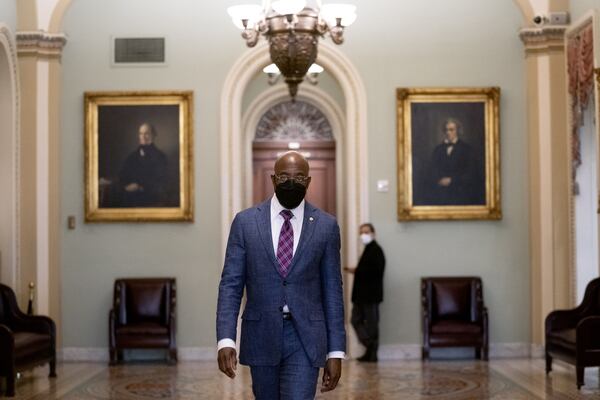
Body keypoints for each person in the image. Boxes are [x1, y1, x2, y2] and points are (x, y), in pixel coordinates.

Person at [216, 151, 346, 400]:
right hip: (261, 333)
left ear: (308, 182)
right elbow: (231, 285)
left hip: (305, 337)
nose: (291, 182)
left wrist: (336, 352)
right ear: (273, 180)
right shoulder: (245, 223)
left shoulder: (326, 226)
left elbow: (333, 291)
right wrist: (226, 339)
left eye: (299, 177)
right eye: (285, 176)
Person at [344, 223, 385, 362]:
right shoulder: (368, 249)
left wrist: (357, 270)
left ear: (373, 233)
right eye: (361, 232)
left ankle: (372, 351)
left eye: (366, 232)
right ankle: (370, 347)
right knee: (355, 320)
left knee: (372, 324)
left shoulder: (376, 250)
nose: (363, 235)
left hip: (370, 295)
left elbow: (376, 271)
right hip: (361, 296)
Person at [430, 118, 482, 205]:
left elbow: (471, 173)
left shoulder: (467, 149)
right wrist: (438, 180)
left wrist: (452, 180)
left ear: (458, 130)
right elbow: (432, 170)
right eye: (446, 130)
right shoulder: (437, 149)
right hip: (440, 194)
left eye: (451, 130)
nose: (448, 132)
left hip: (460, 194)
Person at [118, 122, 168, 207]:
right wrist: (126, 187)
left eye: (146, 134)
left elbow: (162, 181)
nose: (143, 136)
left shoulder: (161, 157)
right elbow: (122, 175)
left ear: (153, 135)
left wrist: (141, 187)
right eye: (141, 133)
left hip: (150, 197)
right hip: (129, 196)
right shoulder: (132, 156)